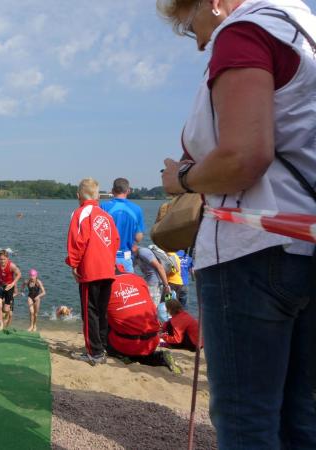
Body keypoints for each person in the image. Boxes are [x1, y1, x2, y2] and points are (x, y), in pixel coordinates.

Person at [158, 0, 316, 446]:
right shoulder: (302, 28)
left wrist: (181, 178)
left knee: (246, 418)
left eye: (190, 27)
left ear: (214, 4)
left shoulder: (244, 32)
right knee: (300, 412)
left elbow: (244, 157)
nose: (198, 43)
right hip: (303, 243)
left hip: (251, 251)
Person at [66, 178, 119, 365]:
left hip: (91, 269)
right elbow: (115, 241)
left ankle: (94, 352)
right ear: (97, 196)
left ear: (78, 195)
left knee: (90, 312)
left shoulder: (80, 213)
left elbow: (77, 241)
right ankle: (102, 347)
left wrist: (74, 264)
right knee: (102, 311)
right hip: (108, 269)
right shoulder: (106, 216)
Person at [107, 271, 182, 374]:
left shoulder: (106, 285)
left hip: (127, 343)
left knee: (106, 320)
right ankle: (159, 358)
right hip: (152, 340)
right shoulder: (139, 279)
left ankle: (123, 356)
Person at [101, 178, 145, 273]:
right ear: (128, 191)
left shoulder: (103, 207)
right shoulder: (136, 209)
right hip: (125, 259)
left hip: (106, 258)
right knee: (127, 282)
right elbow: (138, 238)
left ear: (112, 190)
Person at [0, 250, 21, 332]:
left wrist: (13, 284)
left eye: (4, 259)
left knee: (6, 310)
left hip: (9, 287)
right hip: (0, 285)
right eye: (0, 259)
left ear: (7, 258)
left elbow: (19, 274)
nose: (2, 261)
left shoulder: (11, 265)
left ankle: (7, 315)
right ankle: (1, 324)